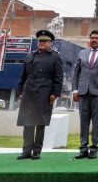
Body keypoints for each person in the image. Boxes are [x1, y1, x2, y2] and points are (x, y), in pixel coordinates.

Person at [16, 30, 63, 160]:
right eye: (40, 41)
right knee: (28, 122)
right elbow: (23, 76)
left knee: (40, 123)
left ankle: (37, 151)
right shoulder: (30, 56)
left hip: (44, 93)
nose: (42, 43)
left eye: (45, 41)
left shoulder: (55, 57)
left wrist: (55, 93)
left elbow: (58, 77)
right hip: (28, 93)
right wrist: (20, 91)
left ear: (49, 43)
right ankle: (26, 151)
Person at [72, 29, 98, 159]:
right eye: (92, 38)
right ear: (89, 39)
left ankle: (94, 148)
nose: (94, 40)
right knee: (83, 122)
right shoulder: (82, 53)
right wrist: (75, 90)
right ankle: (83, 148)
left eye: (96, 38)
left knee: (96, 122)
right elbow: (76, 73)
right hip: (83, 92)